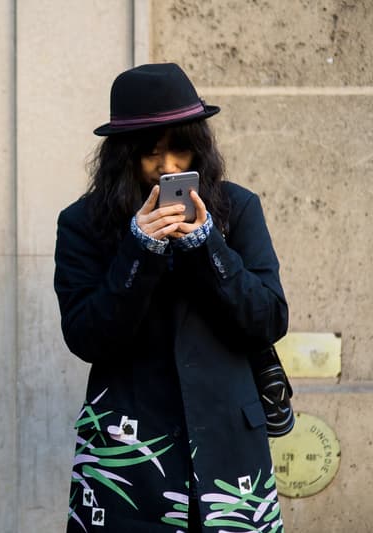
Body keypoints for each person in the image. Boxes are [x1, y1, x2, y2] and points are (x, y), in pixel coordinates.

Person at [54, 63, 288, 532]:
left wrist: (207, 244)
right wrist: (139, 251)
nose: (168, 169)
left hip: (229, 450)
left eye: (180, 150)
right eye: (150, 154)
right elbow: (86, 337)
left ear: (199, 147)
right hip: (128, 454)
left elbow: (268, 319)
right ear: (124, 158)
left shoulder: (237, 209)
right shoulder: (84, 223)